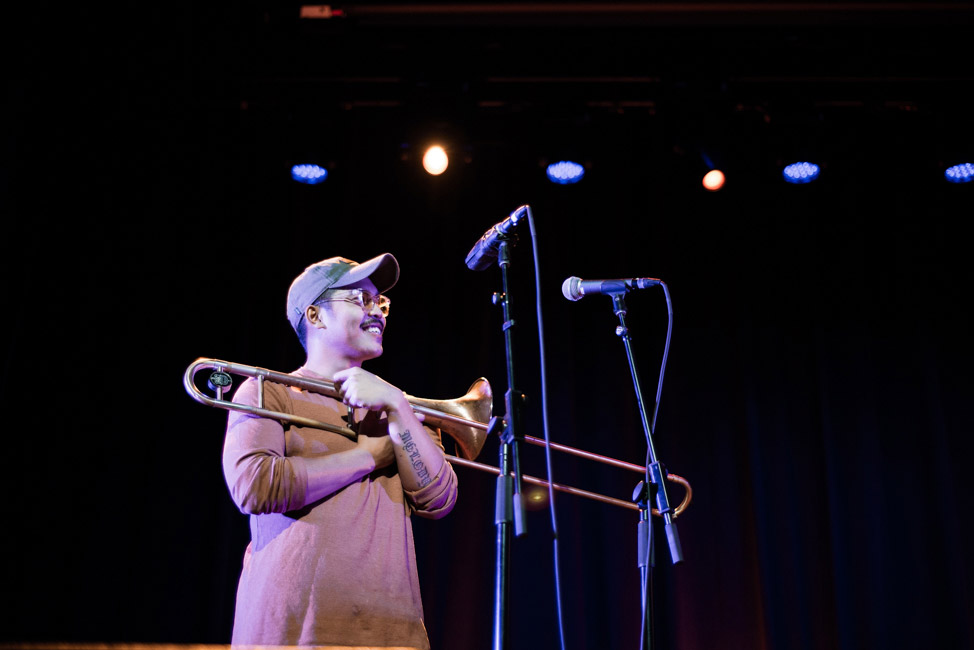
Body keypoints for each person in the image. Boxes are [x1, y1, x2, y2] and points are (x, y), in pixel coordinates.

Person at [222, 253, 458, 649]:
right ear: (315, 316)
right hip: (293, 635)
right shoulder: (266, 391)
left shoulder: (398, 407)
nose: (377, 312)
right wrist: (369, 456)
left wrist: (398, 407)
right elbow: (254, 486)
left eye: (380, 303)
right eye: (360, 300)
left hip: (392, 635)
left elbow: (440, 499)